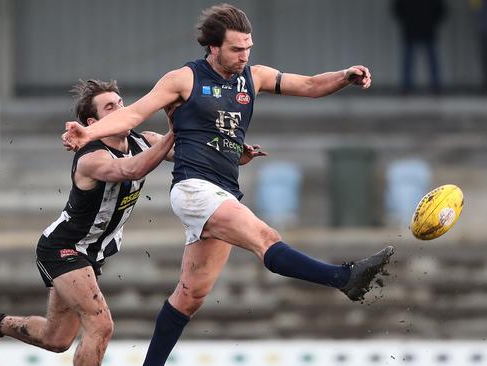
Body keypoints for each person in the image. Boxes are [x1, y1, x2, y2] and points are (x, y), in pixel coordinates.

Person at [62, 5, 395, 365]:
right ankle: (344, 277)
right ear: (213, 48)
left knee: (190, 297)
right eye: (237, 49)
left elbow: (311, 85)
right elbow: (134, 113)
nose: (244, 56)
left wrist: (345, 76)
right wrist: (88, 132)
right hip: (194, 189)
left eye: (248, 47)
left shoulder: (254, 77)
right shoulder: (184, 79)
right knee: (264, 238)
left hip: (224, 190)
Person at [0, 79, 266, 366]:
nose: (122, 109)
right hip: (64, 248)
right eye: (111, 107)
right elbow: (131, 170)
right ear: (94, 123)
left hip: (89, 252)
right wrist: (175, 132)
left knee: (56, 338)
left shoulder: (144, 140)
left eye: (121, 103)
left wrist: (235, 153)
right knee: (101, 326)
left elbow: (196, 153)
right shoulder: (92, 158)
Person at [392, 0, 446, 94]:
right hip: (421, 28)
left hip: (418, 28)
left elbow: (441, 9)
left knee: (413, 60)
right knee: (421, 60)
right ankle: (434, 87)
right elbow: (397, 8)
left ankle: (407, 87)